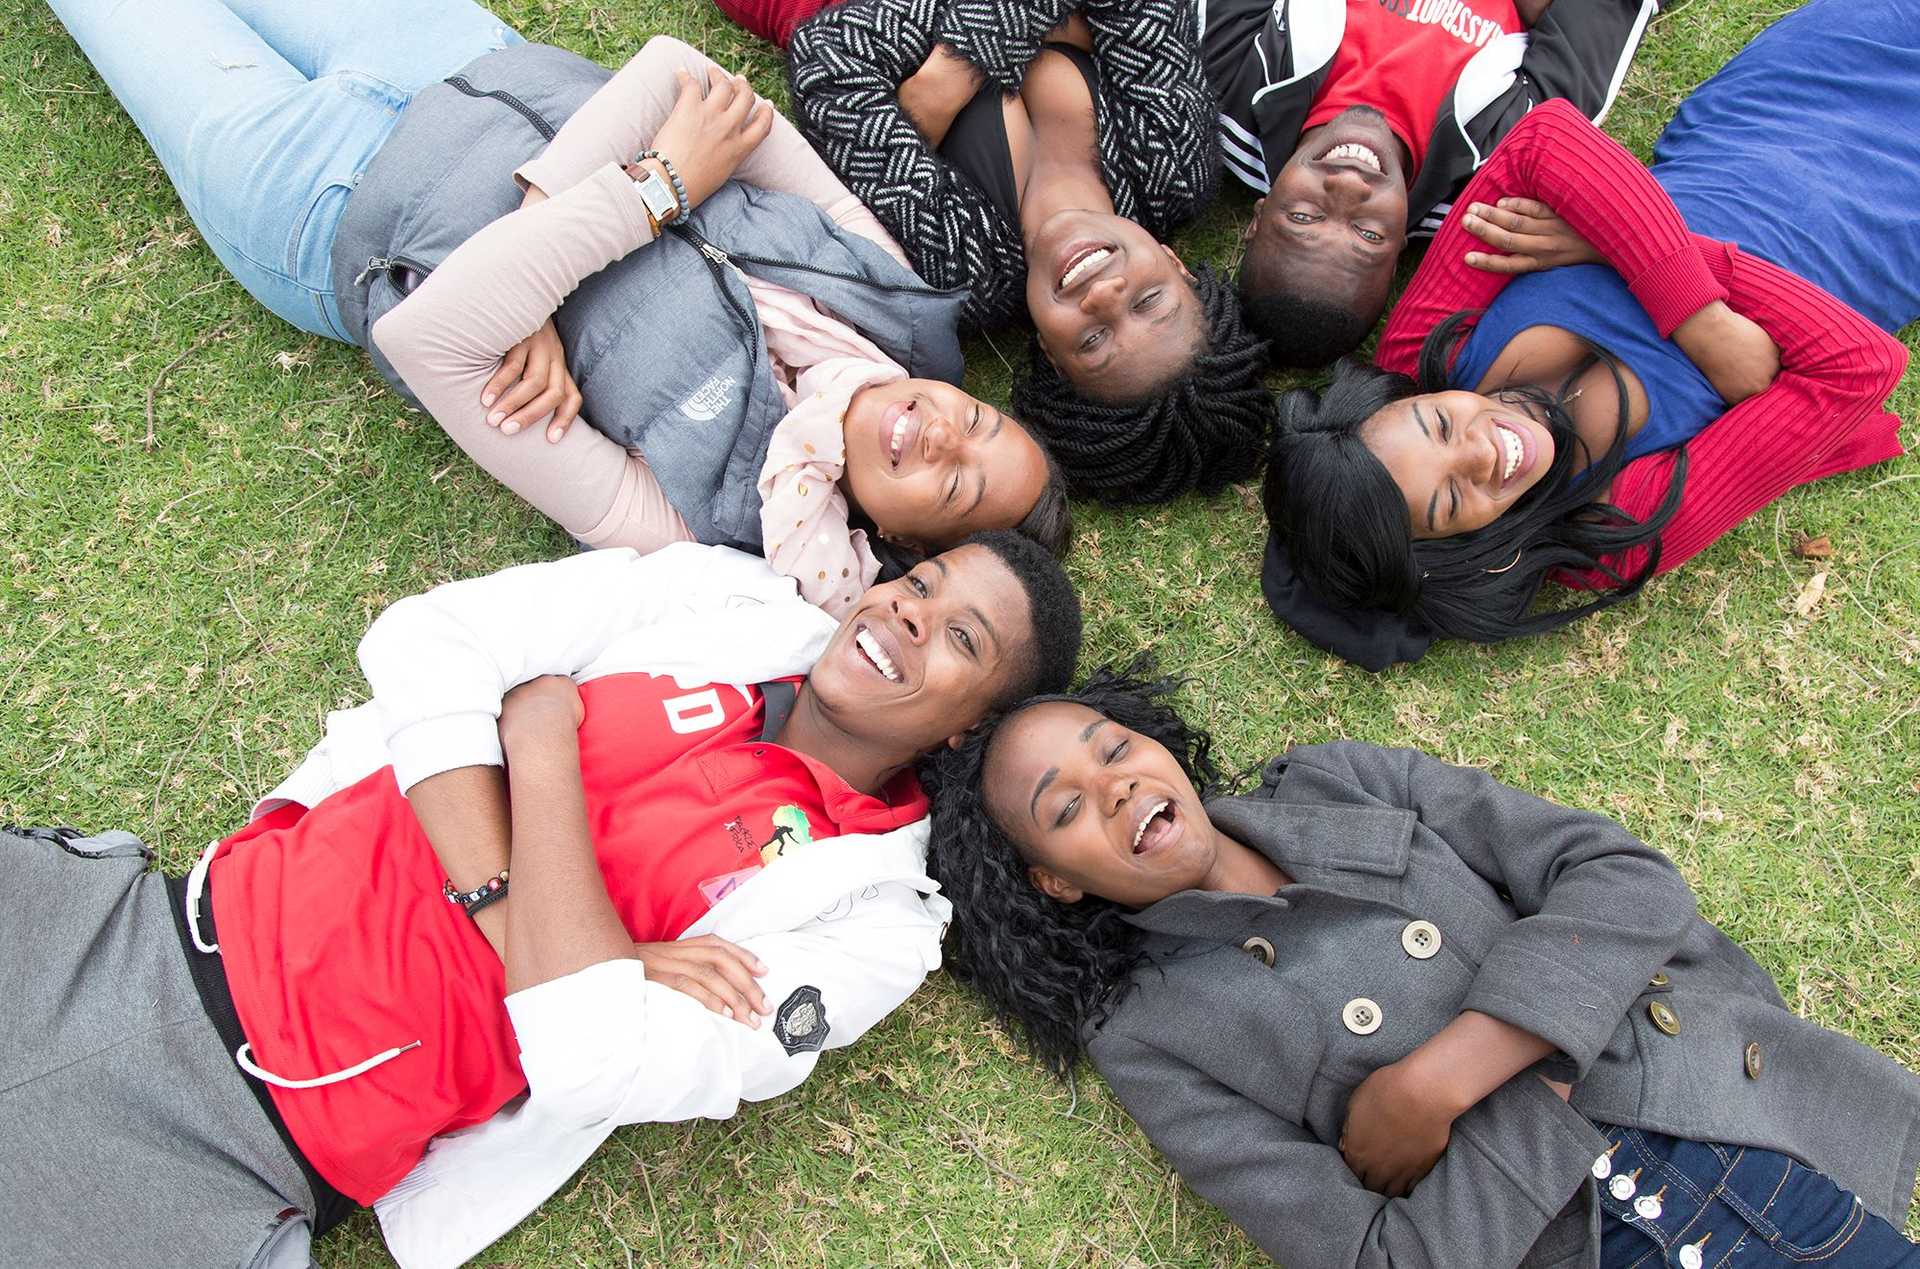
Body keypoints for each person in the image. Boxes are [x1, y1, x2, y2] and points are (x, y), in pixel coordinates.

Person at [0, 531, 1083, 1269]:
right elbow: (429, 639)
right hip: (132, 934)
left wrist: (539, 740)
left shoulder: (877, 927)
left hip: (244, 1147)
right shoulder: (727, 597)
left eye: (962, 640)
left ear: (966, 729)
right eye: (925, 581)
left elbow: (592, 1059)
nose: (906, 613)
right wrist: (575, 945)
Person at [47, 0, 1070, 618]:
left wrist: (658, 189)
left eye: (953, 489)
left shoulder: (700, 531)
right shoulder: (889, 298)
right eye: (979, 423)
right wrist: (537, 231)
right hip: (456, 52)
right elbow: (692, 80)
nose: (942, 434)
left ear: (894, 545)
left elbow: (432, 339)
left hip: (318, 196)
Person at [923, 662, 1920, 1268]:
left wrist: (1441, 1082)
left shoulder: (1339, 781)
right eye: (1063, 809)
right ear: (1054, 881)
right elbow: (1379, 1259)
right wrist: (1551, 1073)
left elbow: (1625, 880)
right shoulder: (1148, 1037)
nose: (1115, 786)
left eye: (1113, 746)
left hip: (1731, 1129)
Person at [1261, 0, 1914, 667]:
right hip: (1885, 221)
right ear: (1458, 549)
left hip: (1773, 106)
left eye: (1437, 424)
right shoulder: (1614, 526)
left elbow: (1548, 142)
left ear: (1405, 401)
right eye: (1453, 499)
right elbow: (1857, 365)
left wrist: (1676, 298)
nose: (1481, 451)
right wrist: (1617, 240)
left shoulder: (1427, 353)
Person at [788, 0, 1275, 504]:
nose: (1104, 296)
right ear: (1176, 265)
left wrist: (1040, 35)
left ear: (1050, 354)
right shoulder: (1173, 167)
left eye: (1092, 340)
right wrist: (938, 86)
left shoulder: (962, 267)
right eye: (1149, 301)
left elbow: (830, 62)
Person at [1201, 0, 1659, 368]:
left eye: (1304, 216)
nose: (1349, 188)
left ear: (1258, 216)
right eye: (1368, 233)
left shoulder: (1230, 84)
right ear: (1401, 245)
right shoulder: (1502, 155)